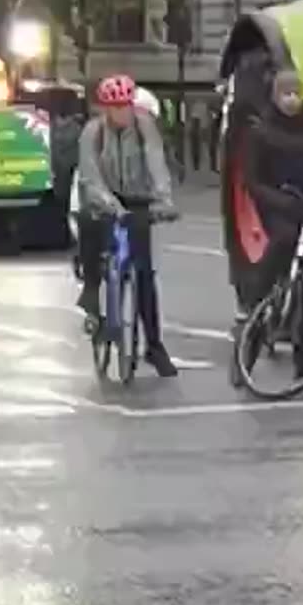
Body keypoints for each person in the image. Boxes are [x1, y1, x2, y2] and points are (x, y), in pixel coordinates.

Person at [75, 73, 179, 378]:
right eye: (115, 107)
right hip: (103, 197)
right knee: (89, 225)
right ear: (105, 109)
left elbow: (156, 162)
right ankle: (92, 291)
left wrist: (164, 201)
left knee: (144, 272)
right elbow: (90, 176)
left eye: (125, 105)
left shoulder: (145, 127)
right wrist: (110, 206)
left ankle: (155, 347)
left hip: (137, 198)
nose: (122, 112)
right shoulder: (92, 132)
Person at [239, 68, 303, 378]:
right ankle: (248, 348)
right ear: (275, 95)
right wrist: (281, 202)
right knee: (279, 250)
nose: (292, 99)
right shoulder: (261, 129)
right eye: (286, 93)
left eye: (296, 92)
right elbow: (254, 182)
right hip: (279, 206)